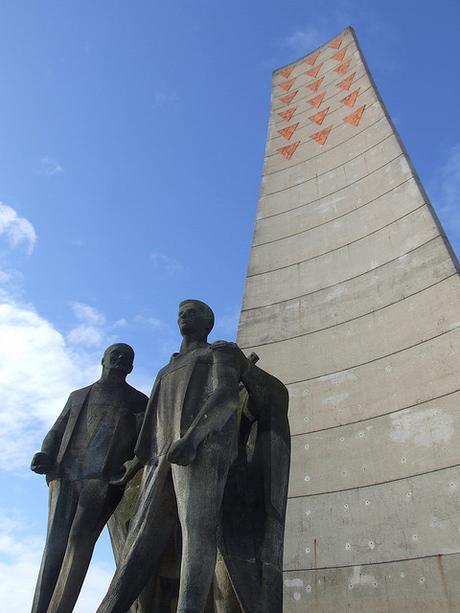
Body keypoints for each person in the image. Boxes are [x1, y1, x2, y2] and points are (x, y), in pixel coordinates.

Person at [97, 300, 290, 613]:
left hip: (204, 449)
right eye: (181, 312)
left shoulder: (220, 351)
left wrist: (193, 438)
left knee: (196, 531)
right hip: (161, 458)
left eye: (193, 312)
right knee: (140, 540)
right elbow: (152, 426)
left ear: (208, 322)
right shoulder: (165, 369)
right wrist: (133, 466)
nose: (184, 315)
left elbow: (226, 396)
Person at [30, 343, 148, 613]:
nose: (120, 359)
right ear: (103, 360)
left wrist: (130, 466)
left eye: (126, 357)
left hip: (102, 481)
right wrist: (45, 454)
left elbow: (145, 440)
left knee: (78, 545)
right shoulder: (78, 396)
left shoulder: (138, 401)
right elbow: (56, 430)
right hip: (66, 475)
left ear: (131, 367)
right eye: (114, 354)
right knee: (53, 547)